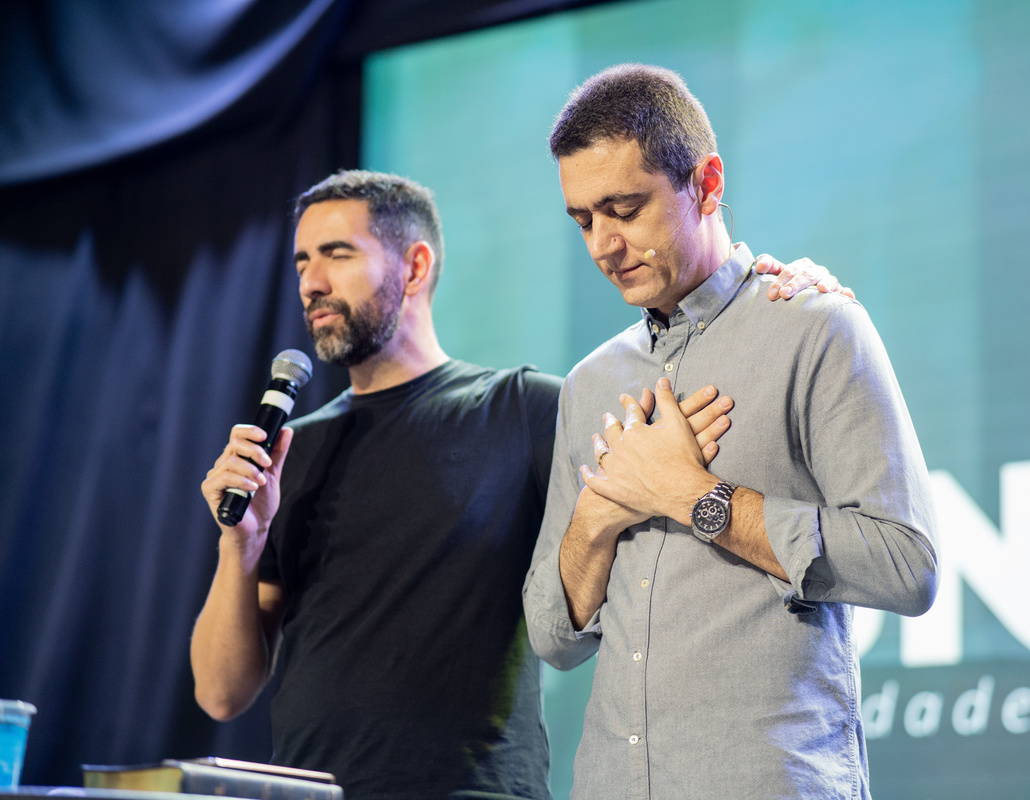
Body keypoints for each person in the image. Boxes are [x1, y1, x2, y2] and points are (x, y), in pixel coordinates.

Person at [190, 170, 840, 800]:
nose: (311, 282)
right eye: (302, 261)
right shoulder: (289, 452)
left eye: (337, 254)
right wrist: (239, 544)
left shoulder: (523, 409)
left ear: (414, 267)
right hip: (306, 791)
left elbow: (676, 412)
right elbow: (221, 693)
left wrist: (778, 294)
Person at [522, 64, 939, 800]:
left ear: (706, 184)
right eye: (583, 220)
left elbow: (907, 566)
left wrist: (693, 496)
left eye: (625, 209)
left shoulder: (815, 327)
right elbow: (554, 637)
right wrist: (599, 513)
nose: (602, 245)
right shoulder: (591, 383)